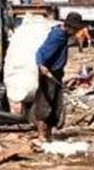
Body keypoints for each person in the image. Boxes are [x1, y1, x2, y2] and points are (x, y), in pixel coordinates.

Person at [33, 12, 83, 142]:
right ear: (69, 26)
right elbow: (40, 51)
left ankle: (48, 134)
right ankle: (41, 135)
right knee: (45, 104)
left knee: (55, 105)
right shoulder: (57, 35)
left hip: (57, 73)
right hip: (49, 73)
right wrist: (41, 65)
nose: (76, 32)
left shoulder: (64, 35)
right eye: (75, 29)